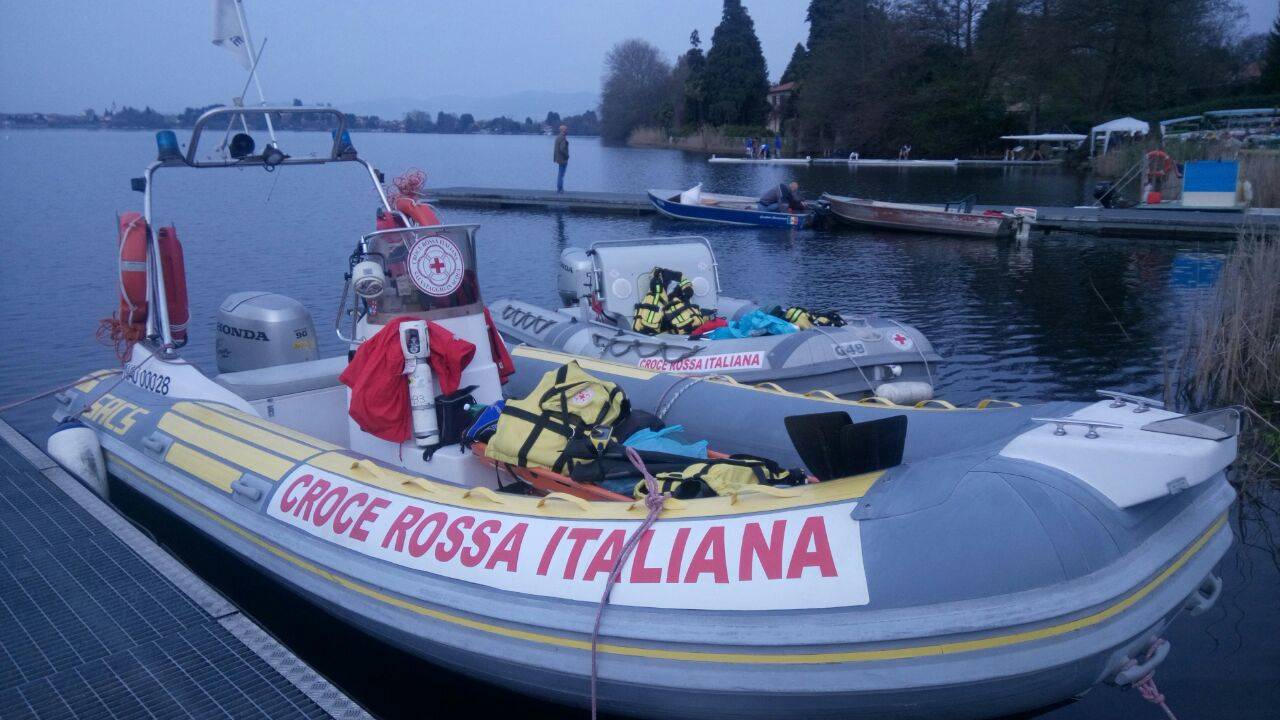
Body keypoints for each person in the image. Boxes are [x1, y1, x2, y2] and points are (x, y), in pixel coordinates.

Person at [553, 125, 569, 192]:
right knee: (561, 174)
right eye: (566, 129)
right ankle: (560, 189)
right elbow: (562, 149)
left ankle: (559, 188)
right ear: (563, 130)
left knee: (560, 173)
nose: (567, 131)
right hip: (562, 158)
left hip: (558, 158)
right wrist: (567, 155)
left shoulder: (558, 137)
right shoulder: (563, 138)